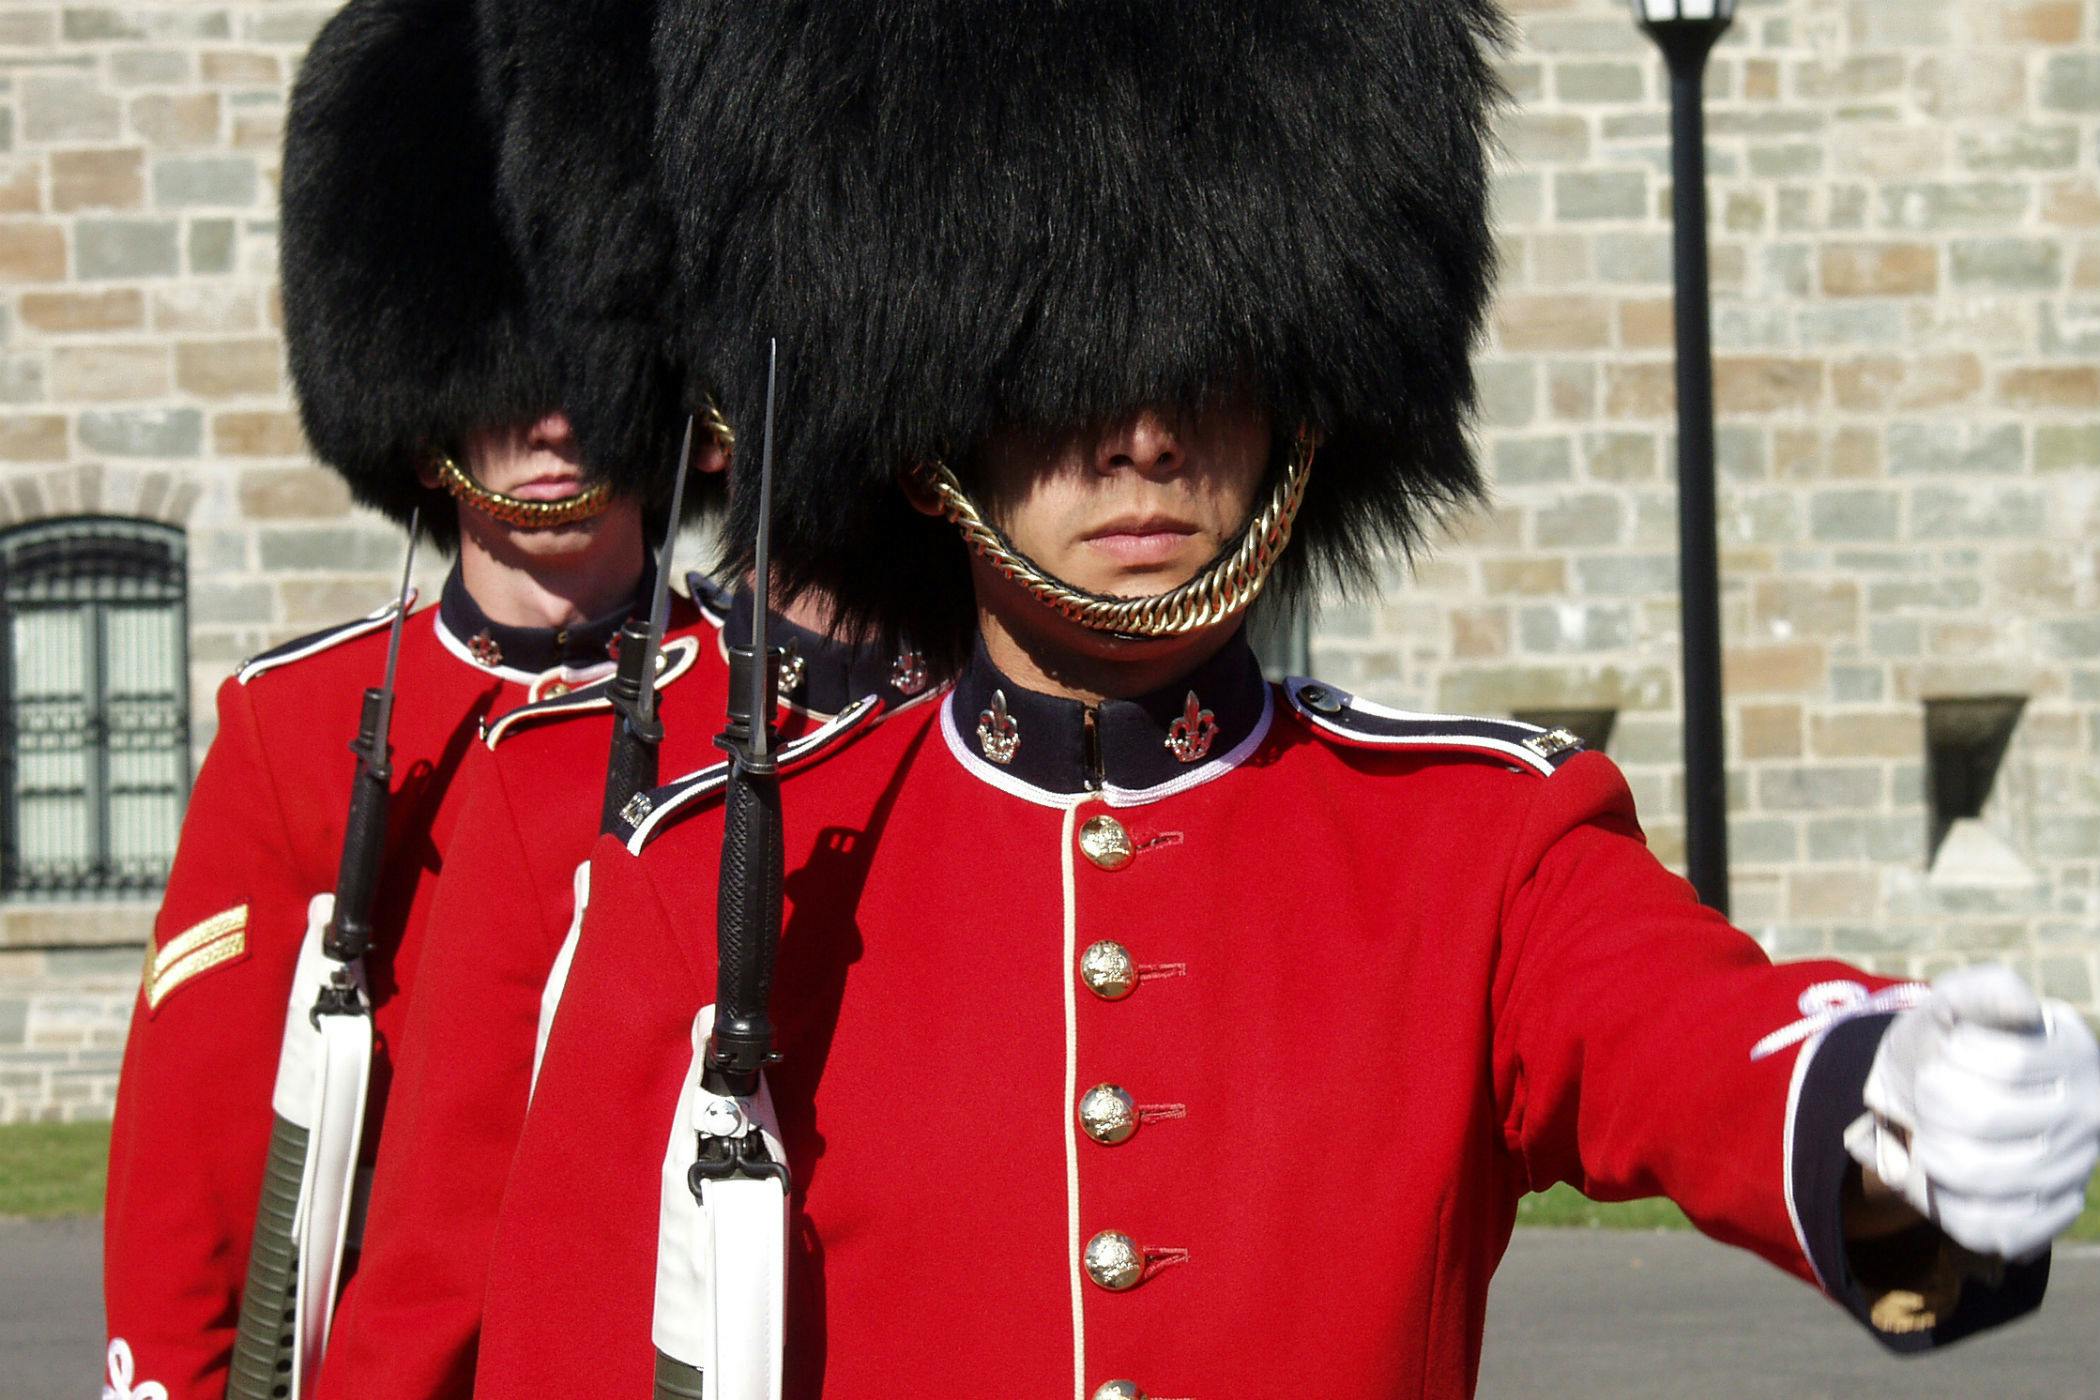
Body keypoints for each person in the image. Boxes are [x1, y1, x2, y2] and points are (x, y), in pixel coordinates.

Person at [473, 3, 2100, 1397]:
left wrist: (1902, 1134)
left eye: (1210, 363)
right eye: (1050, 376)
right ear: (930, 421)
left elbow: (1705, 1054)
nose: (1147, 439)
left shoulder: (1478, 845)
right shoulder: (714, 885)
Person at [98, 1, 722, 1395]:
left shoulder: (781, 714)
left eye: (586, 370)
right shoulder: (297, 729)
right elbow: (189, 1182)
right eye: (504, 379)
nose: (555, 418)